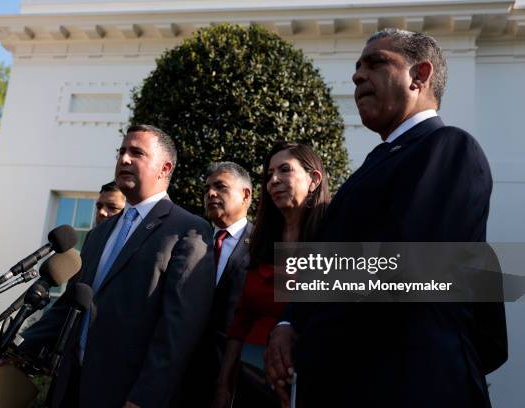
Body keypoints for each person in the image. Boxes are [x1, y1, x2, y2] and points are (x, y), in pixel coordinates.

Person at [265, 29, 508, 407]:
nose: (358, 76)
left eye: (376, 63)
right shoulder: (373, 167)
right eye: (357, 67)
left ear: (420, 75)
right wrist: (287, 323)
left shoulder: (449, 148)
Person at [19, 124, 215, 408]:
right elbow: (71, 303)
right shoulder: (99, 233)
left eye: (137, 153)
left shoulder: (187, 230)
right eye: (122, 151)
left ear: (164, 168)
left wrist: (144, 397)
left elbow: (179, 330)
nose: (124, 159)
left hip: (126, 394)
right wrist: (19, 350)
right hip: (72, 386)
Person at [212, 142, 330, 408]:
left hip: (305, 384)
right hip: (251, 382)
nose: (273, 180)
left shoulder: (334, 239)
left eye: (284, 170)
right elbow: (242, 318)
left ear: (314, 180)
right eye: (269, 175)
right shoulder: (262, 243)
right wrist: (223, 385)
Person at [177, 162, 254, 407]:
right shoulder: (190, 241)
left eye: (220, 187)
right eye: (207, 188)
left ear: (245, 194)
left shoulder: (264, 244)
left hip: (238, 378)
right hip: (182, 375)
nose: (210, 193)